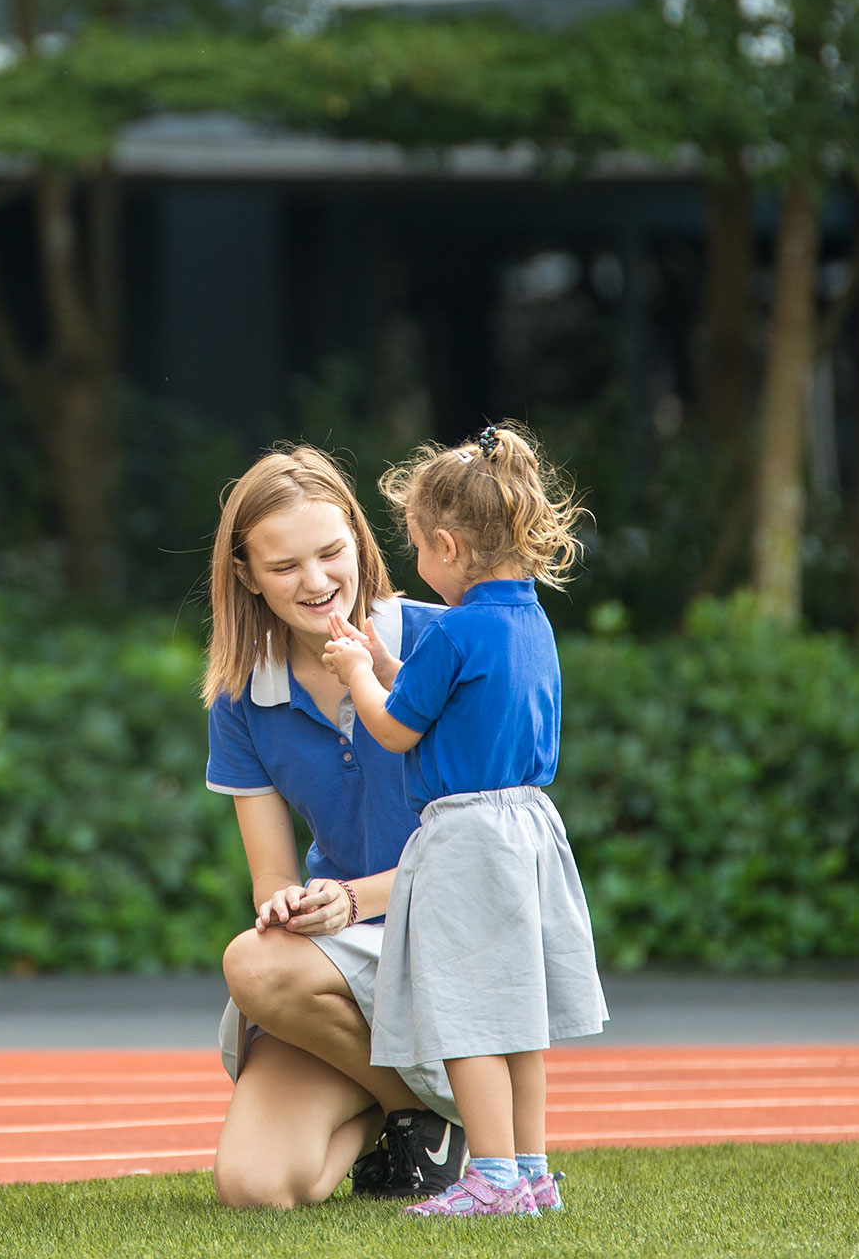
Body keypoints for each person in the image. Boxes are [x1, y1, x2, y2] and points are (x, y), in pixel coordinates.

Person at [323, 422, 608, 1218]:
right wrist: (379, 663)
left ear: (447, 546)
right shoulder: (525, 622)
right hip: (528, 831)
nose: (417, 560)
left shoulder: (455, 630)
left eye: (416, 544)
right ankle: (532, 1172)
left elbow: (395, 728)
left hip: (465, 837)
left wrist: (352, 671)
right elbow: (432, 697)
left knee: (468, 1013)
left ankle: (489, 1177)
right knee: (517, 1012)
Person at [203, 444, 468, 1209]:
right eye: (284, 567)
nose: (317, 583)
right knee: (259, 1188)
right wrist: (286, 903)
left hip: (446, 936)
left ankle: (440, 1109)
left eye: (330, 552)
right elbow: (273, 876)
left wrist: (354, 900)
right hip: (342, 960)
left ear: (358, 536)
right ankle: (424, 1115)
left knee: (257, 968)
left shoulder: (438, 643)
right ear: (247, 574)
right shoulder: (239, 696)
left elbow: (485, 851)